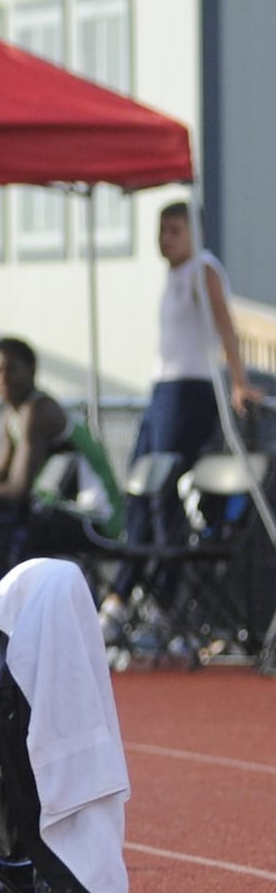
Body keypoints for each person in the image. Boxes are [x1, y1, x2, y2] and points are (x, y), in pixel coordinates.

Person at [99, 200, 263, 637]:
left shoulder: (203, 270)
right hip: (163, 389)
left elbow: (226, 326)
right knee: (137, 488)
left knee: (162, 492)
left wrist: (238, 381)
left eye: (174, 231)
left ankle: (161, 604)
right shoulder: (173, 274)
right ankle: (121, 594)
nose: (164, 240)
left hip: (190, 390)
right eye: (161, 230)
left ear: (194, 234)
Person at [0, 337, 123, 594]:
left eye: (11, 369)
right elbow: (0, 477)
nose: (2, 378)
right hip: (62, 510)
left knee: (7, 530)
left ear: (31, 371)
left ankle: (3, 608)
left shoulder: (39, 410)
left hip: (96, 517)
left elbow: (17, 489)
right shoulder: (14, 414)